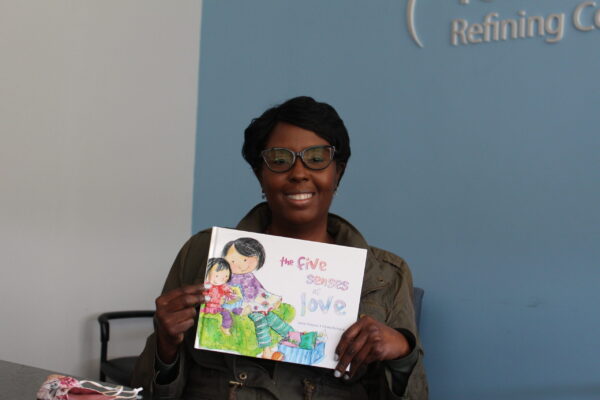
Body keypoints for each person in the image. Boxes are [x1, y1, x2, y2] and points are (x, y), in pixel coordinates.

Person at [132, 96, 428, 399]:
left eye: (316, 158)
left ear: (337, 172)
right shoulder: (202, 252)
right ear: (260, 174)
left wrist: (402, 354)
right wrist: (165, 345)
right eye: (279, 160)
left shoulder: (386, 276)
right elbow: (148, 391)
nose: (298, 173)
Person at [200, 258, 238, 336]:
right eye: (217, 276)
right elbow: (202, 296)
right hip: (206, 307)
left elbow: (231, 295)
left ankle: (225, 328)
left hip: (218, 308)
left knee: (227, 315)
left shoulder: (223, 286)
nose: (222, 279)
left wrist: (225, 298)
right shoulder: (206, 285)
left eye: (226, 276)